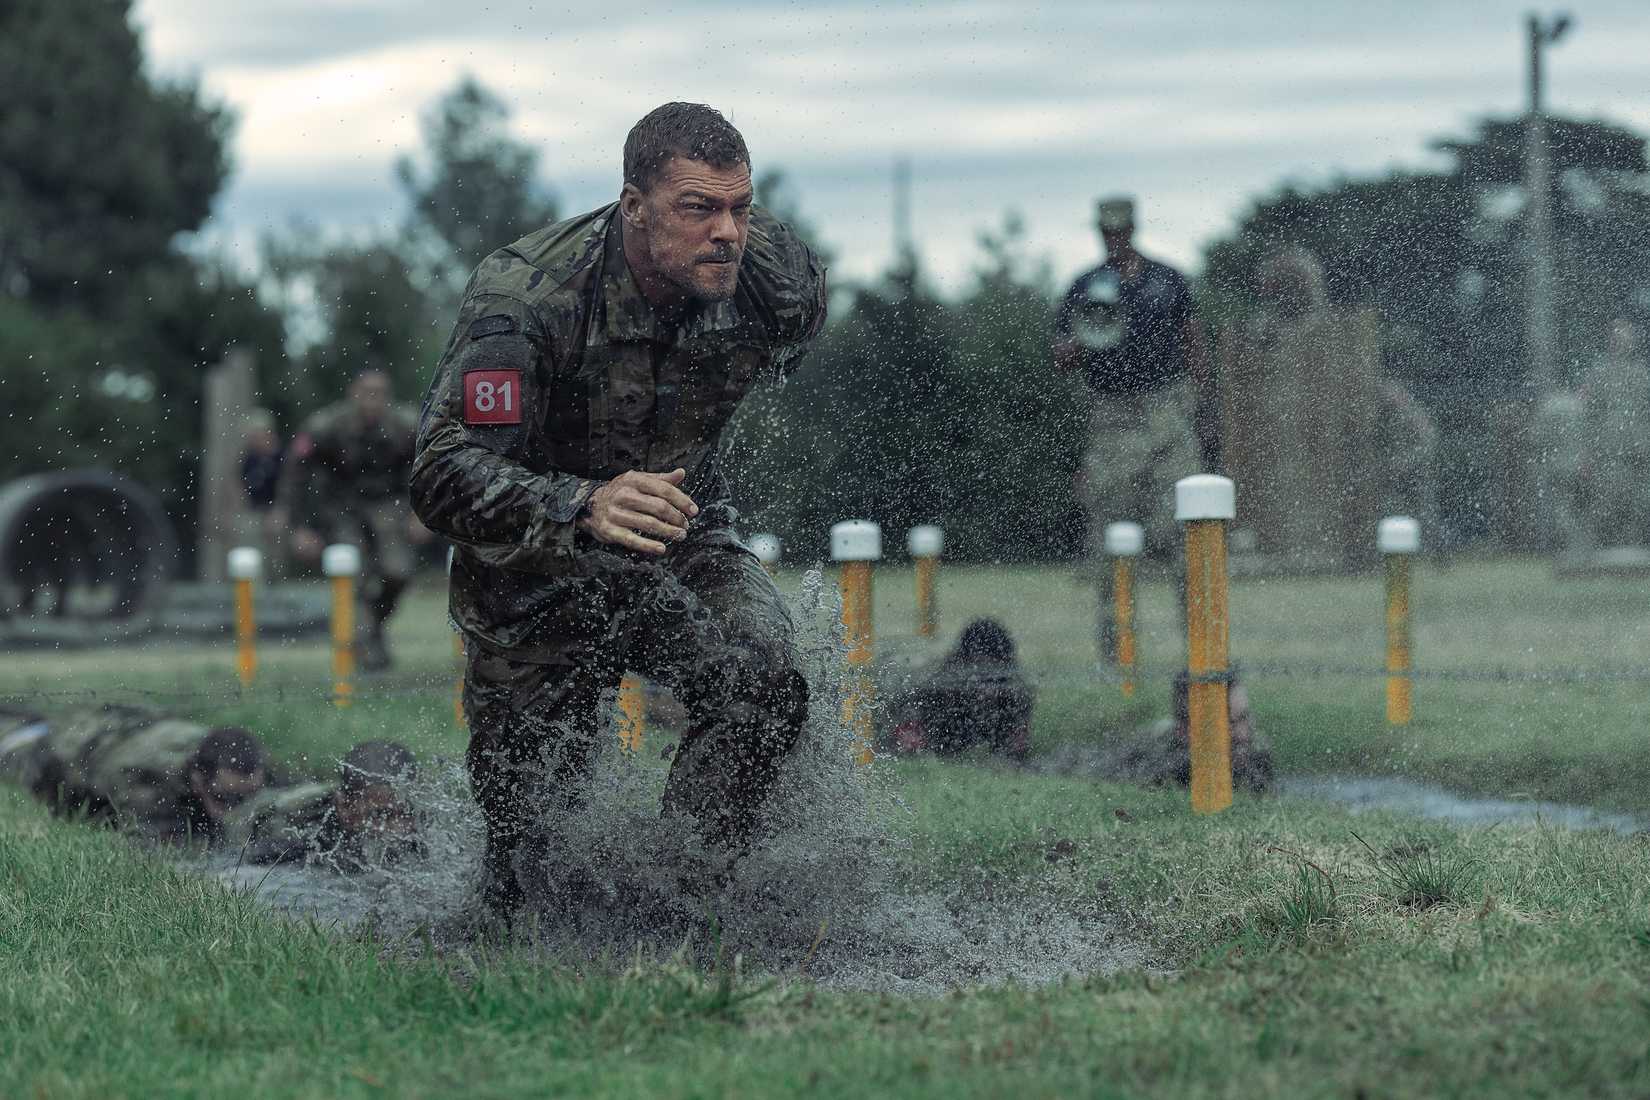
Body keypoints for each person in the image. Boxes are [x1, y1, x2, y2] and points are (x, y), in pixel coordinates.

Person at [410, 102, 827, 915]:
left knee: (763, 682)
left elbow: (795, 331)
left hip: (676, 536)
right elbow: (440, 471)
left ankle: (686, 893)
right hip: (536, 566)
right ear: (634, 207)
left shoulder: (772, 279)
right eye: (697, 208)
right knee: (530, 846)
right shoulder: (529, 297)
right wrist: (582, 503)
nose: (727, 234)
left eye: (741, 207)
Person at [1053, 196, 1211, 664]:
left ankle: (1200, 648)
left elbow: (1194, 346)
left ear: (1133, 229)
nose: (1113, 239)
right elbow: (1060, 360)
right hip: (1112, 419)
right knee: (1109, 536)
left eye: (1120, 231)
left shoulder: (1169, 281)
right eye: (1106, 232)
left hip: (1167, 412)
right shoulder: (1084, 287)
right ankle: (1115, 653)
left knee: (1188, 525)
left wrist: (1203, 412)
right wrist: (1086, 335)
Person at [285, 368, 432, 670]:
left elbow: (430, 470)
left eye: (380, 393)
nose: (373, 400)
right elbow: (296, 472)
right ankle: (366, 652)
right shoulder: (326, 426)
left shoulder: (406, 425)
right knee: (353, 577)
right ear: (353, 393)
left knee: (398, 572)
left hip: (389, 506)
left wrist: (422, 514)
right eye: (367, 392)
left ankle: (374, 624)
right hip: (342, 508)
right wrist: (299, 526)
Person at [0, 705, 268, 845]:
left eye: (246, 796)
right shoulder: (144, 785)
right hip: (45, 746)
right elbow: (142, 843)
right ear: (198, 780)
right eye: (224, 798)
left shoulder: (227, 760)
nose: (234, 809)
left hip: (119, 725)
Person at [226, 740, 421, 870]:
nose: (399, 828)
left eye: (406, 813)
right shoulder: (292, 826)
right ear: (344, 805)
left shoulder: (425, 818)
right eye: (381, 816)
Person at [885, 618, 1035, 762]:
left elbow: (1017, 749)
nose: (988, 689)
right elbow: (906, 744)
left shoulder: (1014, 697)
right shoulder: (935, 693)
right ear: (963, 662)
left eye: (996, 679)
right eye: (980, 676)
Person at [1101, 671, 1273, 794]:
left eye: (1244, 718)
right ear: (1185, 731)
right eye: (1230, 723)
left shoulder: (1255, 754)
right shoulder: (1161, 760)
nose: (1243, 734)